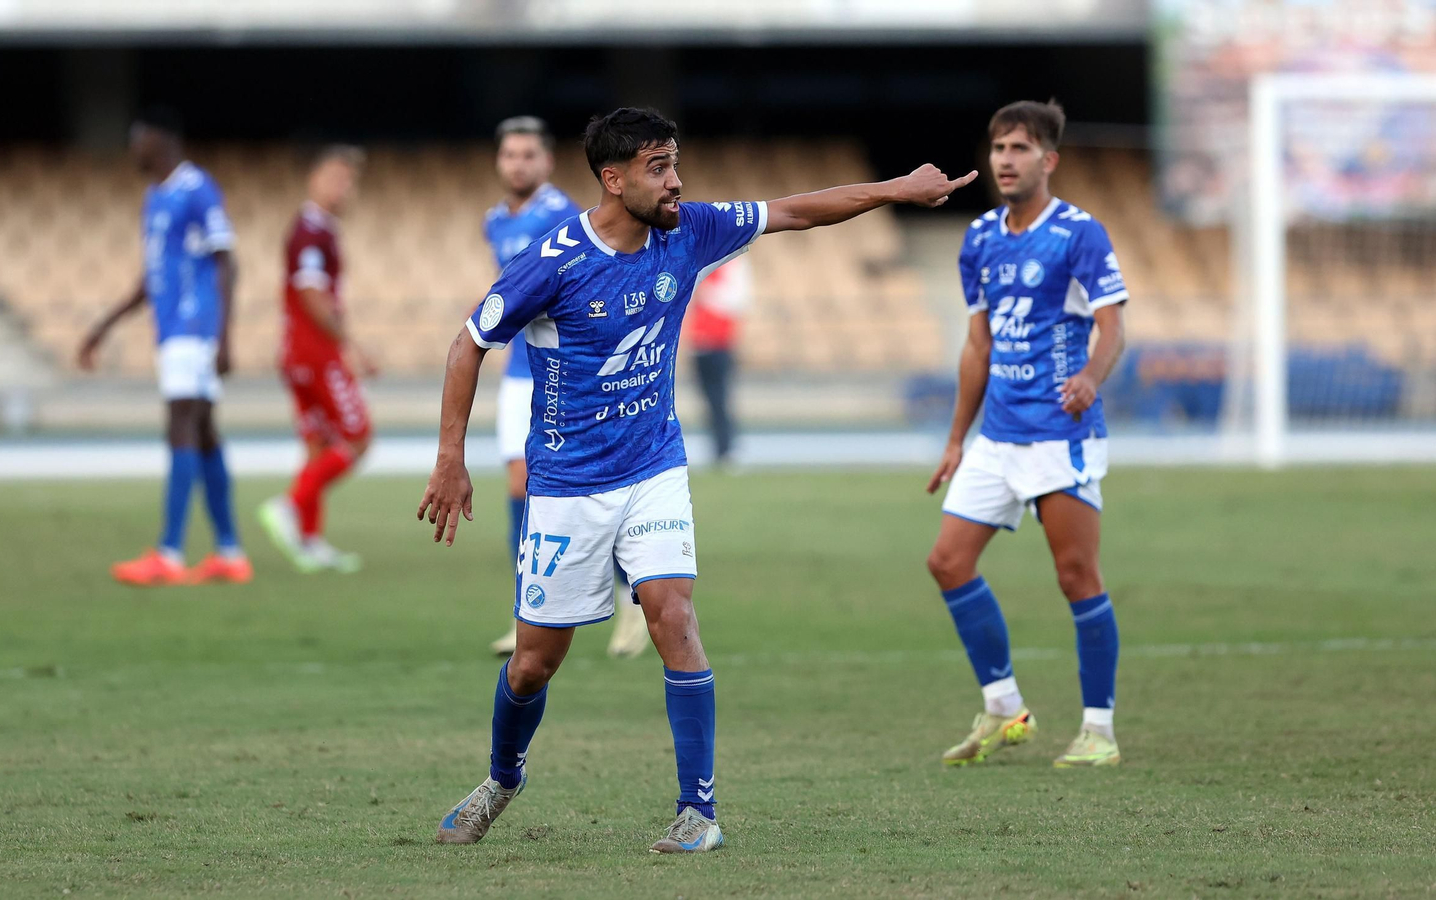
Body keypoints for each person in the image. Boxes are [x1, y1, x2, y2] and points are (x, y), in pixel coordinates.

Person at [418, 107, 974, 853]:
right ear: (613, 180)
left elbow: (794, 211)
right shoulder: (551, 261)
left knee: (673, 617)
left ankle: (698, 812)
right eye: (658, 167)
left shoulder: (690, 230)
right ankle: (502, 777)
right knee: (532, 664)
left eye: (675, 162)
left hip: (654, 467)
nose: (676, 180)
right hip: (567, 485)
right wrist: (450, 459)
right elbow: (468, 344)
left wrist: (897, 189)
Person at [925, 100, 1129, 768]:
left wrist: (1091, 377)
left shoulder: (1079, 233)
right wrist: (956, 439)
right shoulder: (980, 237)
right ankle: (1004, 706)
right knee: (947, 562)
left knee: (1076, 574)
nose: (1005, 160)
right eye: (998, 148)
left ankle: (1099, 730)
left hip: (1058, 434)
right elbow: (977, 345)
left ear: (1049, 160)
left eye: (1019, 148)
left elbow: (1113, 326)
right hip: (998, 436)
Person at [482, 115, 648, 659]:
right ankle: (526, 610)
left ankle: (630, 598)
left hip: (564, 374)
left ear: (547, 161)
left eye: (528, 155)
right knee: (519, 487)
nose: (518, 164)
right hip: (518, 373)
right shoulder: (494, 222)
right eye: (510, 155)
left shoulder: (562, 216)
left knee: (586, 489)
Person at [79, 106, 250, 587]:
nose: (133, 149)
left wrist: (224, 336)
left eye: (138, 139)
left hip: (194, 328)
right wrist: (103, 327)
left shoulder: (197, 189)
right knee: (205, 433)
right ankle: (230, 553)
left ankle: (170, 553)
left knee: (181, 426)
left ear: (162, 139)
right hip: (173, 328)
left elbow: (227, 261)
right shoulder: (154, 198)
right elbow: (150, 277)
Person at [257, 146, 378, 573]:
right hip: (316, 352)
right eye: (334, 178)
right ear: (313, 179)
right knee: (358, 438)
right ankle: (290, 505)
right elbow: (311, 293)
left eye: (348, 181)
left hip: (297, 352)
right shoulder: (311, 231)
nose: (342, 188)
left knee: (318, 445)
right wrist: (353, 346)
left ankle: (309, 542)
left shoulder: (316, 229)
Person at [686, 257, 751, 466]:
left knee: (720, 398)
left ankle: (727, 447)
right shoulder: (703, 261)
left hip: (719, 343)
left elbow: (738, 300)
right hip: (699, 343)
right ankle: (717, 448)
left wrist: (706, 292)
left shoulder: (734, 265)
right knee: (707, 400)